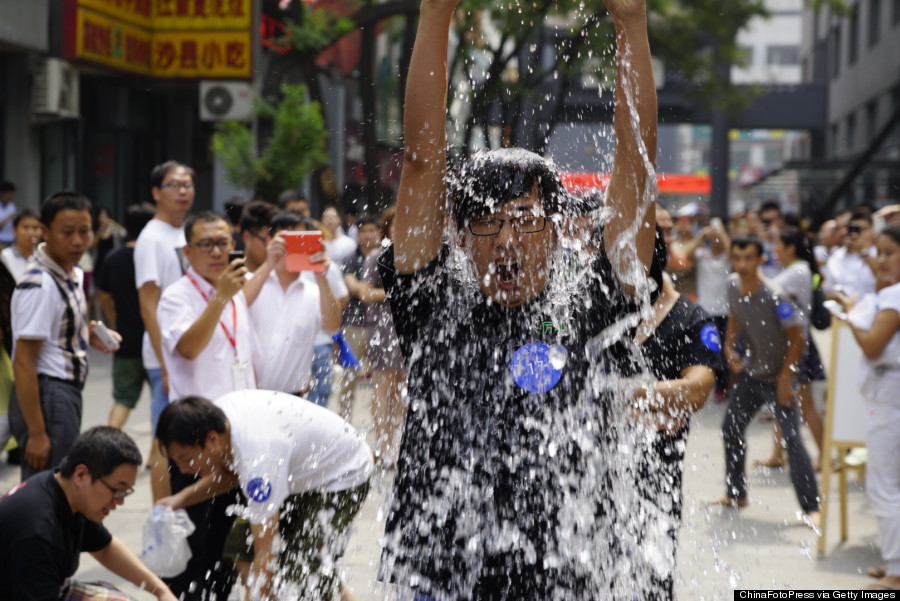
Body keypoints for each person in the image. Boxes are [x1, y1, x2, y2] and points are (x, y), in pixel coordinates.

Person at [376, 0, 659, 598]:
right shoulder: (431, 297)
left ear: (558, 229)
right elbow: (425, 163)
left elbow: (637, 166)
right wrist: (435, 14)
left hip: (567, 567)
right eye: (485, 222)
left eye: (525, 220)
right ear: (456, 232)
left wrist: (631, 22)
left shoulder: (591, 298)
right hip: (437, 567)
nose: (505, 241)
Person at [155, 391, 374, 601]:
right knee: (240, 546)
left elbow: (266, 549)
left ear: (212, 439)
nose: (183, 469)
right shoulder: (218, 422)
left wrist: (257, 594)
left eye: (186, 458)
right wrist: (180, 499)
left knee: (304, 570)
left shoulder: (258, 457)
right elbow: (229, 475)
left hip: (342, 475)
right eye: (178, 461)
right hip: (298, 473)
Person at [156, 210, 258, 601]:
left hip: (234, 438)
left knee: (225, 547)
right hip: (196, 440)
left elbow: (247, 360)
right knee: (196, 549)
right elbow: (187, 347)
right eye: (207, 244)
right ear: (188, 250)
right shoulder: (178, 296)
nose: (218, 252)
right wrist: (219, 298)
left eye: (224, 242)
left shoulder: (231, 294)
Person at [625, 232, 721, 601]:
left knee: (651, 582)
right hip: (589, 473)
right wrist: (654, 400)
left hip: (657, 478)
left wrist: (615, 394)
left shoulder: (690, 318)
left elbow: (697, 389)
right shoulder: (597, 311)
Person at [9, 191, 121, 481]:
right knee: (46, 488)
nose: (77, 241)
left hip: (64, 392)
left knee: (56, 486)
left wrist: (87, 334)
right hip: (48, 396)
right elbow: (23, 363)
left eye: (84, 231)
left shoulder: (71, 271)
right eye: (67, 232)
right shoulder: (40, 284)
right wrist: (36, 432)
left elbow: (58, 327)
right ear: (45, 232)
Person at [711, 237, 821, 528]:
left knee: (793, 440)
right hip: (752, 373)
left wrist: (787, 377)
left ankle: (812, 508)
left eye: (749, 258)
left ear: (761, 260)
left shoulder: (776, 295)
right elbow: (735, 315)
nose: (743, 264)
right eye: (738, 258)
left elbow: (798, 337)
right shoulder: (733, 284)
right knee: (730, 429)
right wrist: (729, 346)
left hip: (779, 377)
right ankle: (736, 494)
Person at [0, 426, 179, 601]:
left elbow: (105, 548)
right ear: (81, 475)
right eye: (117, 489)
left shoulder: (67, 493)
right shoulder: (38, 530)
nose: (120, 500)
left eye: (125, 492)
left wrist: (161, 591)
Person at [837, 223, 900, 592]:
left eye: (890, 253)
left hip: (889, 395)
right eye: (880, 253)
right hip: (887, 392)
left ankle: (895, 571)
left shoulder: (894, 297)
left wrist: (852, 316)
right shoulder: (888, 293)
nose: (881, 261)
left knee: (885, 484)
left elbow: (873, 344)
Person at [134, 160, 194, 501]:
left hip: (185, 350)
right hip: (163, 359)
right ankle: (161, 512)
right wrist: (165, 362)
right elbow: (147, 304)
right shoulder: (152, 238)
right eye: (174, 184)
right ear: (156, 192)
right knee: (163, 439)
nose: (183, 191)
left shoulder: (184, 232)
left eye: (187, 184)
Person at [246, 211, 342, 396]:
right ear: (269, 242)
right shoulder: (251, 282)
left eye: (300, 241)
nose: (291, 247)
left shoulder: (315, 292)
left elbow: (333, 326)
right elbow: (238, 304)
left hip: (293, 397)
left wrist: (320, 275)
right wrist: (269, 264)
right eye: (285, 240)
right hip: (248, 394)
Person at [757, 227, 825, 469]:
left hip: (798, 345)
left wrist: (750, 267)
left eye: (779, 245)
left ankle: (826, 456)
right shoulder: (797, 270)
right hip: (790, 344)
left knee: (805, 404)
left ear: (790, 248)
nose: (775, 249)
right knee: (782, 399)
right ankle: (777, 455)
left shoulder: (798, 270)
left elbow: (764, 289)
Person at [96, 204, 156, 429]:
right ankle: (154, 458)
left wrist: (114, 323)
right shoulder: (154, 257)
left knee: (122, 399)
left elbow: (104, 296)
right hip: (155, 342)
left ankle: (108, 445)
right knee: (161, 400)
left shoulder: (114, 257)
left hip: (125, 340)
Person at [337, 215, 384, 418]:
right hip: (354, 324)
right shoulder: (350, 259)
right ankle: (343, 419)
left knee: (383, 378)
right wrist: (374, 292)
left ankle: (379, 418)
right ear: (357, 234)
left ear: (379, 233)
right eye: (364, 231)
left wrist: (367, 290)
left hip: (381, 325)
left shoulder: (385, 256)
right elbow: (354, 288)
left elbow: (362, 289)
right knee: (348, 377)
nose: (368, 235)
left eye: (372, 230)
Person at [824, 211, 878, 302]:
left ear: (872, 231)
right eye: (852, 229)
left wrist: (863, 252)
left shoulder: (880, 253)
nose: (856, 233)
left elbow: (884, 279)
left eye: (861, 229)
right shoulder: (836, 257)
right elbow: (828, 289)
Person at [0, 209, 41, 282]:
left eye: (35, 228)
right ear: (14, 230)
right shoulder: (4, 257)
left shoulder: (42, 257)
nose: (31, 233)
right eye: (25, 227)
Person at [238, 199, 278, 272]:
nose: (271, 248)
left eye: (275, 241)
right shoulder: (231, 279)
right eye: (266, 241)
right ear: (246, 236)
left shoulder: (285, 278)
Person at [0, 181, 17, 248]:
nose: (10, 197)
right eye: (8, 195)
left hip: (11, 241)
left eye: (12, 195)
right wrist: (9, 218)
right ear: (1, 194)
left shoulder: (12, 206)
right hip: (1, 242)